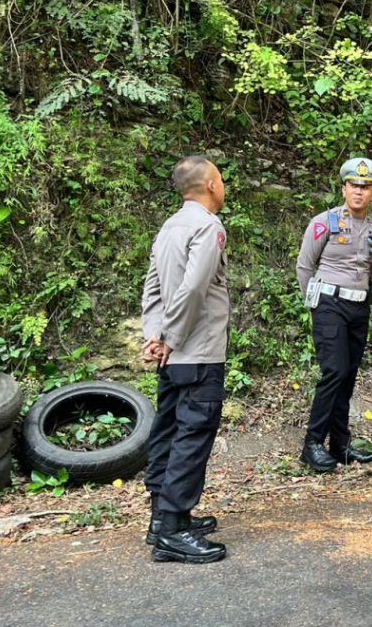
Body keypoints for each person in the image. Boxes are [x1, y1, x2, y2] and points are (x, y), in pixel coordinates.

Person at [141, 155, 229, 564]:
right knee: (192, 436)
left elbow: (153, 286)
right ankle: (173, 532)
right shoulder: (207, 227)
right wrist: (172, 339)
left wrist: (154, 337)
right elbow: (194, 289)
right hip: (198, 351)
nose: (223, 184)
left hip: (172, 355)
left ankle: (161, 519)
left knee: (169, 430)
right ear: (211, 184)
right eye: (221, 178)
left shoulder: (169, 226)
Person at [295, 157, 372, 472]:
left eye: (366, 187)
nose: (359, 191)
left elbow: (370, 269)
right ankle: (312, 444)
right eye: (353, 185)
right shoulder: (324, 222)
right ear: (344, 187)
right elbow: (305, 266)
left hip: (358, 306)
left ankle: (340, 445)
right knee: (333, 371)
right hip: (329, 304)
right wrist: (316, 305)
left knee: (347, 376)